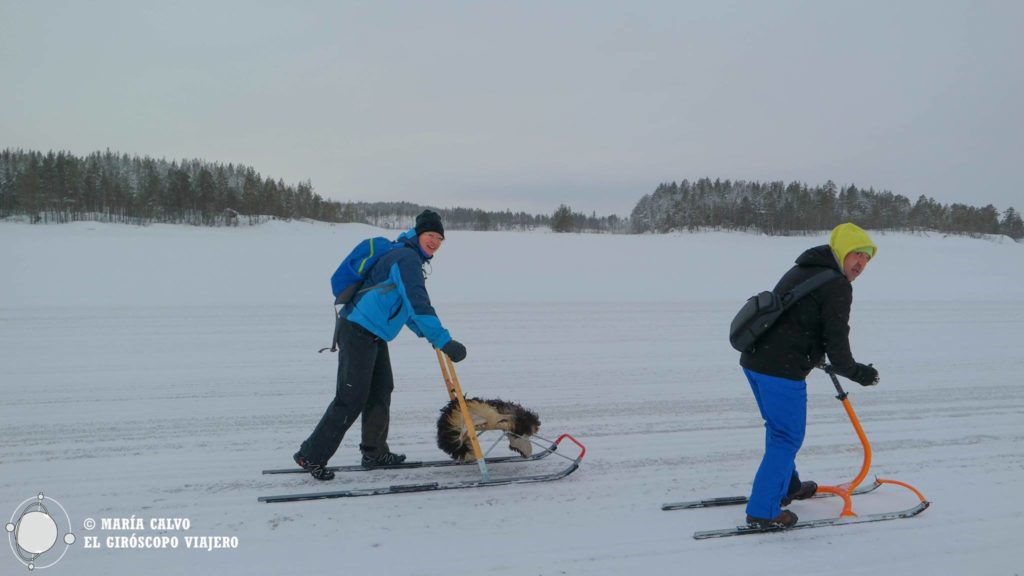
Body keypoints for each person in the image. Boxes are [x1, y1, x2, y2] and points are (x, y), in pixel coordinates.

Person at [293, 209, 467, 480]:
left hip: (373, 333)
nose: (435, 242)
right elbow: (419, 305)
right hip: (358, 330)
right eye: (430, 235)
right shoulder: (406, 259)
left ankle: (374, 452)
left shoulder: (408, 257)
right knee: (351, 398)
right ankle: (311, 455)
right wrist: (444, 339)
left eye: (439, 238)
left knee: (380, 390)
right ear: (419, 234)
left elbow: (407, 310)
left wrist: (431, 337)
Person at [739, 222, 880, 528]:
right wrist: (861, 373)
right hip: (780, 370)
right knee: (787, 436)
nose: (861, 263)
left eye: (867, 257)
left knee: (778, 431)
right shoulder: (838, 285)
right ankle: (763, 510)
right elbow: (837, 343)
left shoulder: (804, 268)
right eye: (857, 253)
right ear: (842, 250)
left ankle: (786, 486)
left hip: (755, 361)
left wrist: (813, 354)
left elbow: (796, 320)